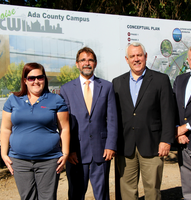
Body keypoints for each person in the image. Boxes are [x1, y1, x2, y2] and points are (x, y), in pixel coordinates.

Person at [112, 42, 175, 200]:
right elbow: (113, 116)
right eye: (132, 56)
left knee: (152, 191)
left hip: (153, 144)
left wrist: (166, 140)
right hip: (125, 146)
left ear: (145, 57)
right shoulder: (117, 83)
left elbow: (168, 112)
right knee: (127, 191)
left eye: (139, 55)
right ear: (127, 59)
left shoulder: (160, 80)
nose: (136, 59)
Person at [1, 62, 70, 200]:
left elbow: (65, 128)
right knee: (27, 197)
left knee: (47, 198)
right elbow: (5, 128)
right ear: (25, 80)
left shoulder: (56, 100)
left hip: (49, 161)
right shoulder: (13, 100)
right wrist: (3, 154)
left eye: (40, 77)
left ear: (45, 79)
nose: (36, 81)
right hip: (20, 161)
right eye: (31, 78)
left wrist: (66, 153)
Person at [60, 47, 118, 200]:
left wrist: (110, 145)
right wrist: (69, 150)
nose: (87, 63)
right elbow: (64, 124)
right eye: (83, 60)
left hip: (101, 152)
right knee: (76, 195)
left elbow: (112, 118)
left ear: (95, 63)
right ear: (77, 64)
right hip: (76, 153)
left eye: (90, 60)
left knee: (102, 195)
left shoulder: (107, 87)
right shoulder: (66, 89)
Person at [173, 44, 191, 200]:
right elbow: (173, 107)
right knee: (189, 188)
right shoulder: (180, 79)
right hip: (183, 143)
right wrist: (177, 129)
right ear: (188, 61)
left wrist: (185, 128)